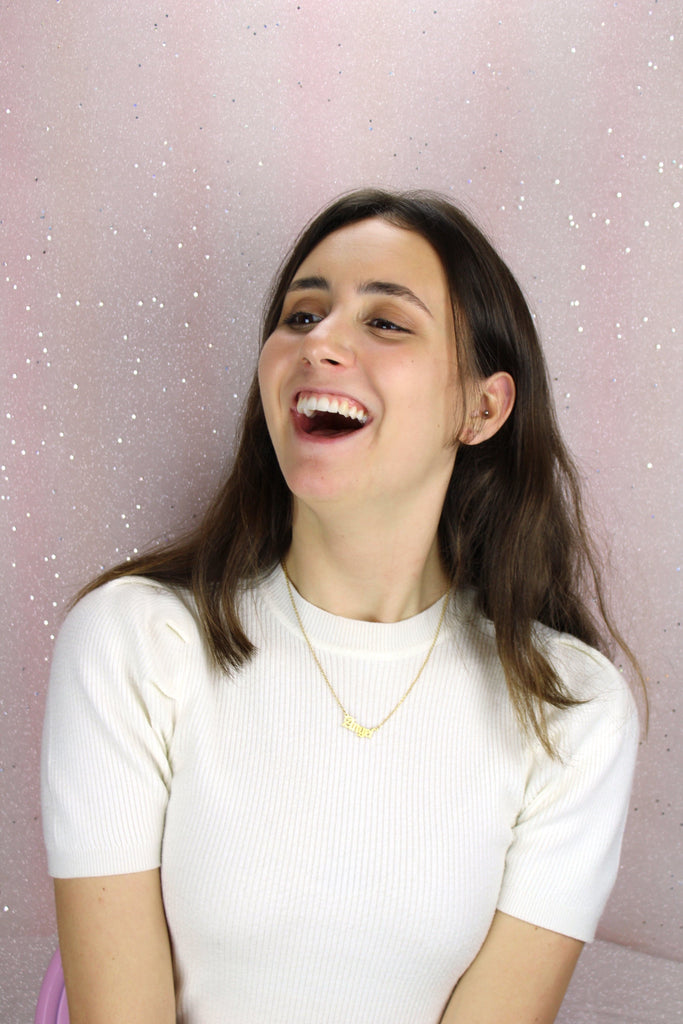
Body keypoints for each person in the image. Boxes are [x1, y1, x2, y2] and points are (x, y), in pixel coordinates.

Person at [41, 188, 640, 1024]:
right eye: (299, 316)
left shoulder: (570, 709)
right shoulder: (133, 642)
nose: (319, 342)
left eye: (385, 323)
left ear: (483, 407)